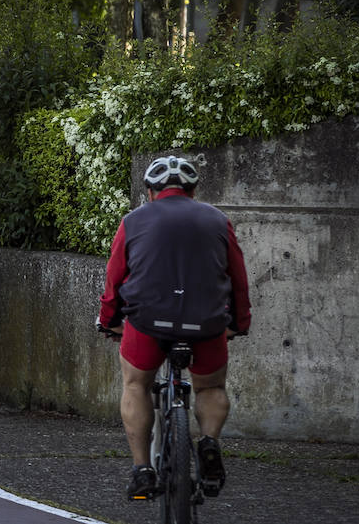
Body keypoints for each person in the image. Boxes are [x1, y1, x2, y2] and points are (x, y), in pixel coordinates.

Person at [96, 155, 251, 501]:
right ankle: (208, 441)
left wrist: (109, 321)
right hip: (207, 321)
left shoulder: (133, 221)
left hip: (147, 321)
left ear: (150, 192)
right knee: (210, 387)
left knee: (136, 383)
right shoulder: (218, 220)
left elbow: (115, 277)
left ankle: (141, 470)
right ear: (193, 190)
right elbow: (238, 277)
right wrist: (238, 323)